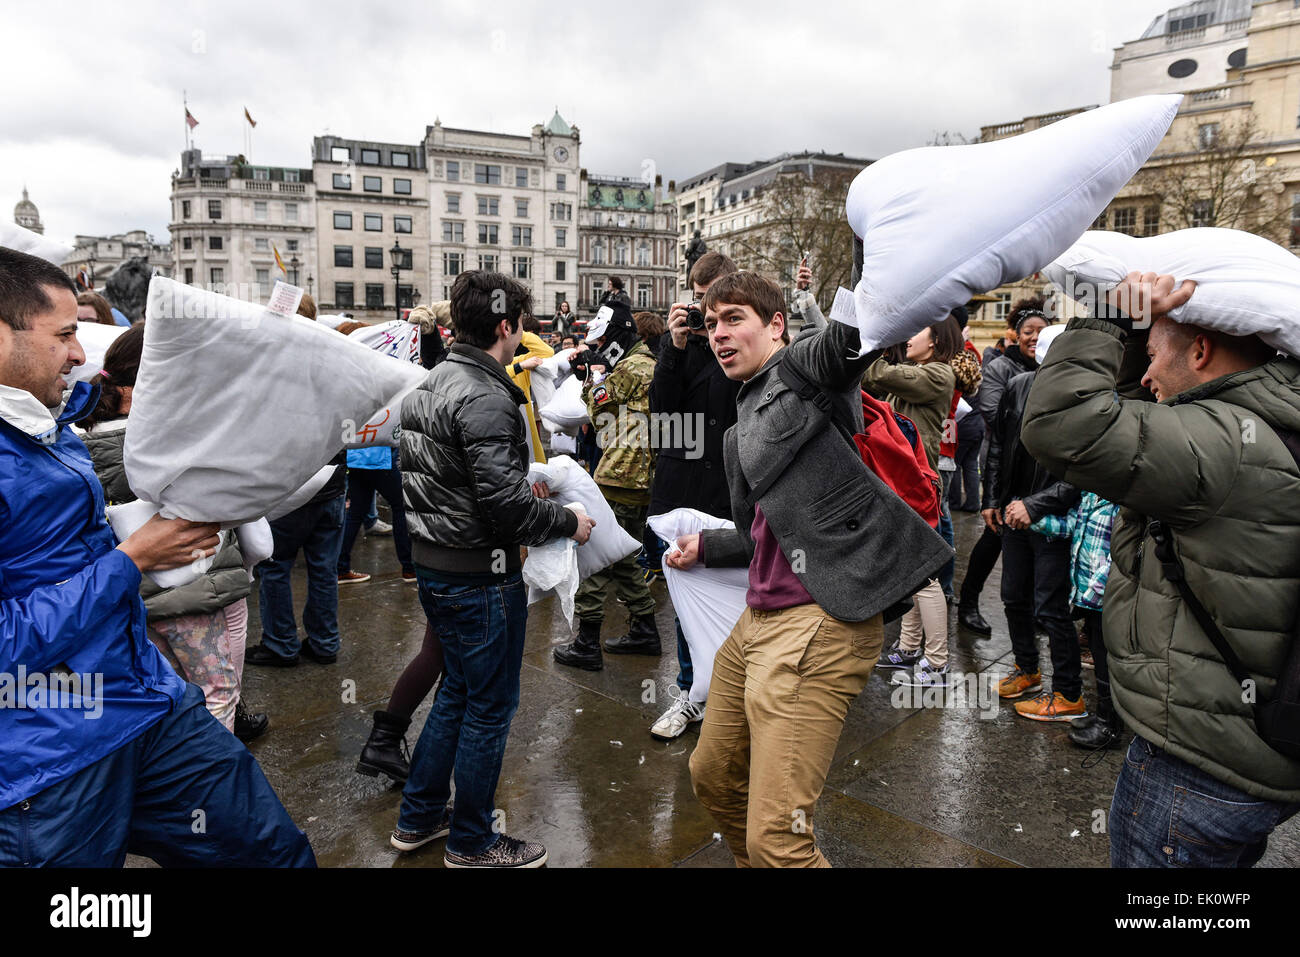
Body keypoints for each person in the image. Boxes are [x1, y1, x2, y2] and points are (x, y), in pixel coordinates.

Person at [0, 247, 312, 866]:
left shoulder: (43, 423)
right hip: (48, 757)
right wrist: (133, 558)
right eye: (63, 336)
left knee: (272, 853)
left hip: (149, 706)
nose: (80, 354)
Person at [667, 271, 950, 867]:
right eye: (710, 321)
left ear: (776, 326)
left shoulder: (805, 371)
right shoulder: (739, 427)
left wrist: (875, 250)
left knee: (778, 839)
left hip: (820, 623)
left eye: (734, 318)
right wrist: (707, 548)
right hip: (756, 624)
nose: (718, 333)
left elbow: (855, 335)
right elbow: (755, 534)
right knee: (714, 776)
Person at [1022, 271, 1300, 867]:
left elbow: (1063, 427)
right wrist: (1142, 344)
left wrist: (1109, 320)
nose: (1143, 375)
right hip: (1251, 744)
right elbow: (1137, 414)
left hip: (1196, 764)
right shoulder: (1267, 421)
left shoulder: (1220, 441)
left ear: (1201, 350)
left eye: (1149, 356)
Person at [393, 270, 595, 867]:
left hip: (437, 566)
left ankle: (421, 817)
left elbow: (451, 484)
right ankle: (472, 840)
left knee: (456, 691)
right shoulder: (485, 395)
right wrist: (567, 524)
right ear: (506, 326)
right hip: (479, 575)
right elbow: (504, 507)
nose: (524, 335)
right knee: (489, 707)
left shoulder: (430, 384)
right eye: (522, 326)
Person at [76, 323, 268, 741]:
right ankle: (209, 789)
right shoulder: (183, 438)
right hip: (202, 588)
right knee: (219, 692)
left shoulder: (75, 440)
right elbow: (244, 515)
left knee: (163, 694)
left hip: (131, 595)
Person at [645, 251, 742, 739]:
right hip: (684, 492)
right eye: (701, 303)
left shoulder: (743, 346)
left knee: (741, 600)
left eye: (721, 306)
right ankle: (690, 692)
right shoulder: (680, 348)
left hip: (731, 494)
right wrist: (676, 347)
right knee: (687, 598)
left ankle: (732, 694)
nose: (710, 318)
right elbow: (662, 426)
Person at [982, 309, 1083, 722]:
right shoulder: (1018, 385)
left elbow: (1082, 471)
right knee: (1013, 598)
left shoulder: (1081, 398)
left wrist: (1035, 505)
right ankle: (1027, 669)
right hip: (1011, 513)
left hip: (1051, 520)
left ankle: (1069, 693)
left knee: (1051, 608)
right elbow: (999, 447)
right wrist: (992, 498)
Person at [553, 299, 660, 670]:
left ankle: (586, 643)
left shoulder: (634, 367)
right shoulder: (640, 364)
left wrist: (588, 378)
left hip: (623, 474)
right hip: (631, 474)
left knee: (593, 556)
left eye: (601, 343)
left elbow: (596, 408)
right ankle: (645, 627)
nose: (598, 349)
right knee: (620, 555)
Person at [246, 297, 348, 667]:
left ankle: (280, 644)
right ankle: (324, 642)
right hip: (332, 479)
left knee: (275, 567)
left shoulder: (269, 362)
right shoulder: (336, 358)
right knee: (323, 568)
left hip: (287, 483)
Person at [863, 316, 961, 686]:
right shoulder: (917, 370)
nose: (908, 338)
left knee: (924, 576)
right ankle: (908, 649)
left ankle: (937, 664)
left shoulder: (938, 375)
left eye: (916, 331)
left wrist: (871, 340)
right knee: (912, 573)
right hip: (902, 484)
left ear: (935, 340)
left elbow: (877, 375)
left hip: (918, 486)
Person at [957, 298, 1049, 636]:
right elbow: (996, 418)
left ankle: (1034, 608)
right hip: (1004, 464)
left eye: (1042, 331)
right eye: (1029, 331)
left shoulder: (1050, 367)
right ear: (1015, 334)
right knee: (995, 534)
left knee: (1035, 535)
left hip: (1040, 468)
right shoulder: (1000, 368)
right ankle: (968, 603)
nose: (1035, 338)